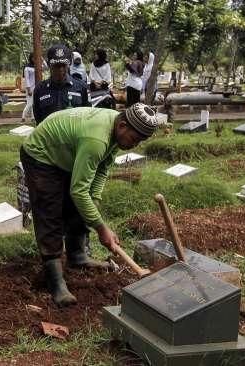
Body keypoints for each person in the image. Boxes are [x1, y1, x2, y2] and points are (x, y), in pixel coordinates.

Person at [21, 104, 158, 307]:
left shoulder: (115, 130)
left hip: (67, 153)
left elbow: (101, 171)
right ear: (122, 126)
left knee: (81, 205)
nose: (135, 145)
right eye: (135, 139)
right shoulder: (96, 139)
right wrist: (101, 228)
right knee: (50, 212)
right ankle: (55, 280)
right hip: (41, 154)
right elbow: (79, 191)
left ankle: (76, 256)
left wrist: (93, 204)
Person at [33, 44, 90, 125]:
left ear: (69, 65)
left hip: (73, 137)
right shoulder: (40, 90)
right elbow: (38, 118)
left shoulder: (81, 87)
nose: (60, 69)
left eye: (63, 65)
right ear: (49, 65)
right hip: (50, 136)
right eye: (56, 66)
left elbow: (87, 116)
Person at [22, 53, 37, 123]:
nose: (34, 59)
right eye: (33, 58)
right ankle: (23, 117)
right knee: (29, 103)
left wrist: (42, 59)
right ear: (30, 58)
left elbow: (45, 67)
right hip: (29, 88)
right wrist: (28, 89)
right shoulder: (27, 67)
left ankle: (33, 118)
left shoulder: (37, 65)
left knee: (34, 103)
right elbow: (27, 79)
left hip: (36, 87)